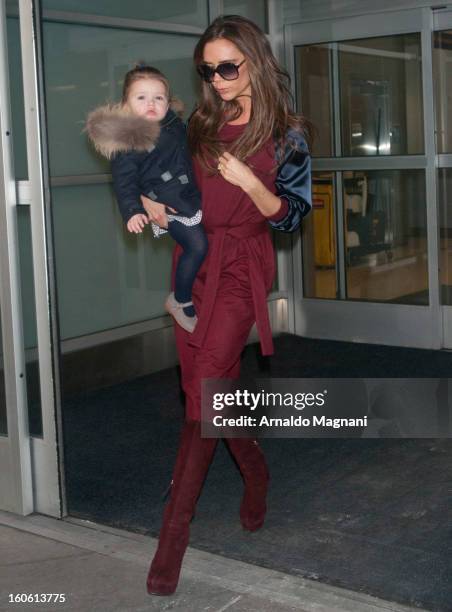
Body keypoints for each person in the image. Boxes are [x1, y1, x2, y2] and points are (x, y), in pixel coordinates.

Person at [141, 15, 313, 596]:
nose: (216, 79)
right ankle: (256, 471)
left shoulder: (287, 134)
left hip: (242, 268)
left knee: (206, 392)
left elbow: (292, 216)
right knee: (206, 396)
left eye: (227, 66)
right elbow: (176, 189)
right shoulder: (197, 125)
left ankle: (172, 541)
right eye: (207, 69)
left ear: (254, 62)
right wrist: (156, 203)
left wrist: (250, 183)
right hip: (193, 267)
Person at [86, 65, 208, 332]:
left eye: (158, 97)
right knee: (197, 246)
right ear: (126, 104)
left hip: (188, 197)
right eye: (141, 97)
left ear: (168, 101)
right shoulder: (128, 142)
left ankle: (197, 295)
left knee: (206, 245)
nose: (151, 103)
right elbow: (124, 182)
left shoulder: (175, 124)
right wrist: (132, 210)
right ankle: (180, 300)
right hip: (167, 204)